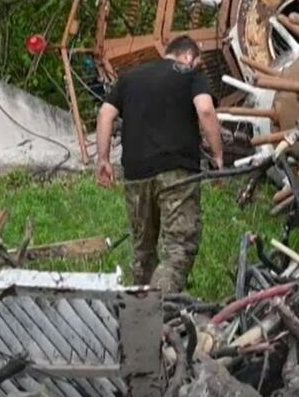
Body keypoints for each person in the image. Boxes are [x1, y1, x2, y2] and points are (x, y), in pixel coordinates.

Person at [95, 36, 224, 293]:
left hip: (136, 174)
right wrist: (218, 155)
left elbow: (105, 114)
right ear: (189, 56)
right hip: (177, 172)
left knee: (143, 251)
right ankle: (162, 312)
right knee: (178, 250)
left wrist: (103, 159)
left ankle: (140, 323)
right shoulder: (190, 75)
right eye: (196, 61)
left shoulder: (131, 77)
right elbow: (206, 109)